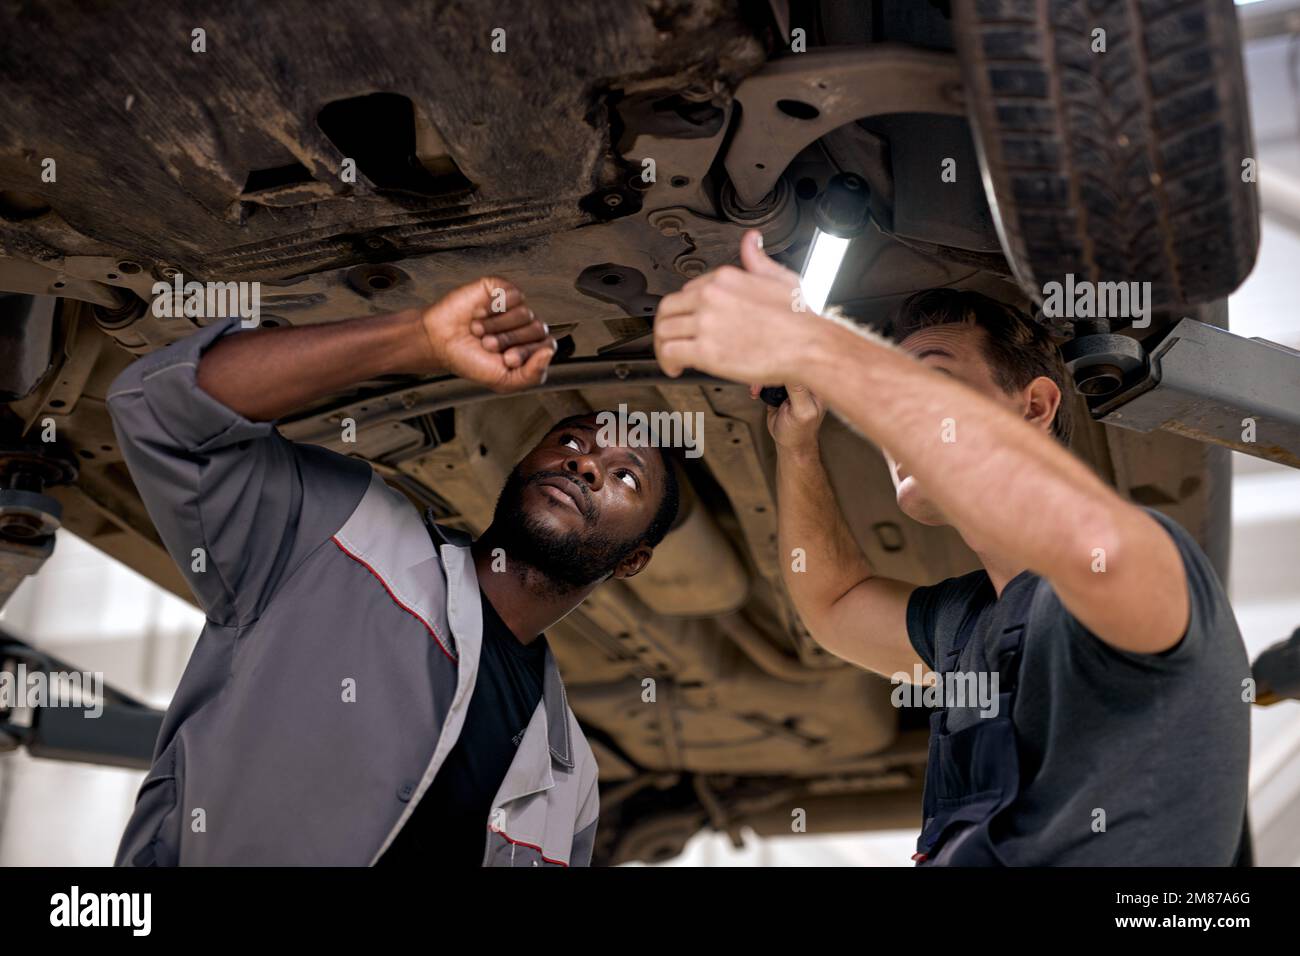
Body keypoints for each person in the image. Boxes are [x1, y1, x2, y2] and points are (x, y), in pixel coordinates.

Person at [653, 230, 1251, 865]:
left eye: (931, 383)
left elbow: (1093, 545)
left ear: (1035, 406)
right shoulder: (966, 625)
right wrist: (796, 442)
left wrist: (821, 345)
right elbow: (834, 604)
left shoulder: (1138, 566)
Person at [110, 277, 678, 866]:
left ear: (632, 560)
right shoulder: (344, 534)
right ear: (523, 463)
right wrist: (419, 338)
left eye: (625, 476)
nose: (585, 463)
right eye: (571, 440)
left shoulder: (572, 783)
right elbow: (163, 415)